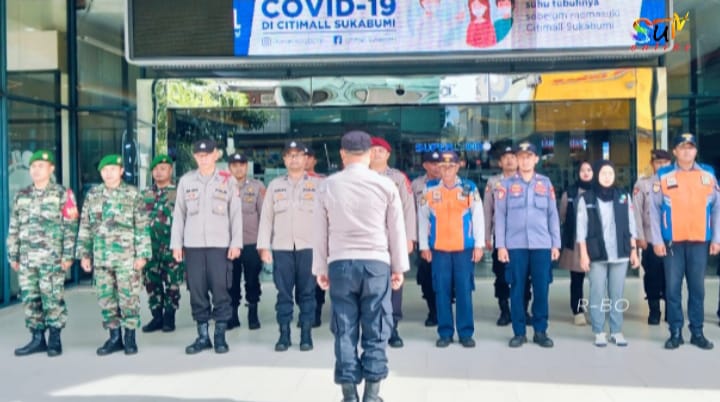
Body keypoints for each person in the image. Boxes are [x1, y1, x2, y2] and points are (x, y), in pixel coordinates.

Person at [313, 130, 408, 402]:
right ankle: (372, 394)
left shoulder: (327, 186)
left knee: (344, 328)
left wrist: (320, 268)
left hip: (340, 264)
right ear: (368, 154)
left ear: (342, 154)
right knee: (377, 327)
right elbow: (396, 230)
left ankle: (349, 395)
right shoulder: (386, 185)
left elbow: (319, 232)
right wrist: (399, 267)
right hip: (376, 264)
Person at [171, 138, 243, 355]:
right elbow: (179, 215)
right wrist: (176, 244)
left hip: (220, 246)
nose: (203, 159)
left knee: (221, 290)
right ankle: (203, 336)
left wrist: (236, 243)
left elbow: (235, 215)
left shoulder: (228, 180)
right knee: (197, 291)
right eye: (199, 155)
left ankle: (220, 336)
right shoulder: (186, 181)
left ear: (215, 155)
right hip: (193, 246)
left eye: (207, 155)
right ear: (195, 157)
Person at [649, 133, 720, 350]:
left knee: (697, 289)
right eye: (682, 147)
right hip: (673, 242)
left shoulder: (708, 174)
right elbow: (653, 210)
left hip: (699, 241)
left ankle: (697, 332)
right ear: (675, 151)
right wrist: (657, 240)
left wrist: (716, 238)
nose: (687, 151)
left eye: (690, 147)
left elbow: (717, 209)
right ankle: (675, 332)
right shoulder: (663, 175)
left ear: (696, 151)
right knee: (672, 289)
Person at [77, 154, 152, 356]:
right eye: (104, 170)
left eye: (112, 169)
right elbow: (85, 226)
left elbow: (142, 226)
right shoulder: (93, 195)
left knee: (129, 298)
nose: (108, 173)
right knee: (106, 298)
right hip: (101, 257)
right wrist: (84, 254)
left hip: (128, 258)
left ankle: (130, 338)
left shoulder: (133, 194)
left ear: (121, 171)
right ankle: (114, 338)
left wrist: (142, 255)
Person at [7, 150, 79, 357]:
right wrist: (13, 255)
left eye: (41, 166)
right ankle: (37, 338)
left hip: (52, 258)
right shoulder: (21, 195)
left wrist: (68, 255)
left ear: (51, 169)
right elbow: (14, 227)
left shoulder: (63, 194)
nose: (36, 170)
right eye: (33, 166)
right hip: (27, 259)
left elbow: (70, 227)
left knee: (52, 298)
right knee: (30, 299)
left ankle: (55, 339)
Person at [494, 142, 560, 348]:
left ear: (536, 159)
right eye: (521, 156)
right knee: (517, 289)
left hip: (541, 244)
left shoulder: (545, 183)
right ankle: (519, 332)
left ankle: (540, 331)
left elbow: (553, 215)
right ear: (517, 159)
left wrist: (555, 244)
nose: (524, 160)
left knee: (541, 289)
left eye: (528, 156)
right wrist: (501, 246)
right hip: (515, 245)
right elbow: (500, 217)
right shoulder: (505, 185)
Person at [258, 141, 321, 352]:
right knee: (283, 294)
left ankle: (306, 334)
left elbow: (325, 218)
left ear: (306, 159)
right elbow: (266, 218)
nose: (294, 159)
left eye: (298, 155)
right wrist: (264, 247)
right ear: (284, 159)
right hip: (282, 248)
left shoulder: (318, 185)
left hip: (309, 247)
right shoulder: (275, 185)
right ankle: (284, 335)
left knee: (308, 293)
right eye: (289, 155)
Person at [419, 150, 484, 348]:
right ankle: (445, 332)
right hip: (439, 249)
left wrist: (479, 245)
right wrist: (424, 246)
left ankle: (465, 333)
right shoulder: (429, 188)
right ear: (438, 168)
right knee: (442, 291)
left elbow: (478, 217)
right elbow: (423, 219)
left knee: (464, 290)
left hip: (463, 249)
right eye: (443, 166)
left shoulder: (468, 187)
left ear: (457, 167)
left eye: (451, 166)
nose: (446, 170)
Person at [576, 160, 640, 347]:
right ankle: (598, 331)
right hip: (596, 252)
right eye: (603, 173)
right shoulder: (587, 198)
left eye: (610, 173)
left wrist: (634, 251)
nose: (607, 177)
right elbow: (581, 228)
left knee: (616, 293)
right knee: (597, 292)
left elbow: (631, 224)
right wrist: (583, 254)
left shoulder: (623, 196)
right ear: (597, 175)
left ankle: (616, 330)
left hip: (620, 252)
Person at [369, 136, 416, 348]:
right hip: (368, 241)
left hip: (394, 240)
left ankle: (392, 327)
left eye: (381, 150)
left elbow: (409, 209)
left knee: (395, 283)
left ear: (388, 154)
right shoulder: (359, 176)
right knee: (369, 284)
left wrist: (410, 238)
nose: (376, 153)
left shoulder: (398, 178)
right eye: (373, 150)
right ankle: (372, 327)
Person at [484, 145, 531, 326]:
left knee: (524, 275)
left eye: (513, 157)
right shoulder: (493, 183)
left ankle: (523, 310)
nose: (510, 160)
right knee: (502, 275)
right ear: (500, 162)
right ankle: (504, 310)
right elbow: (488, 210)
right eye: (506, 157)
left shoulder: (527, 180)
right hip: (501, 237)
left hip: (523, 237)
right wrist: (487, 236)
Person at [141, 154, 184, 333]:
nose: (159, 172)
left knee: (172, 282)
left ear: (170, 170)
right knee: (152, 283)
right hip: (150, 248)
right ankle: (156, 316)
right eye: (156, 169)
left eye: (163, 169)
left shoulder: (179, 193)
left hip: (171, 247)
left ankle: (169, 316)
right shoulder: (144, 194)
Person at [227, 152, 265, 330]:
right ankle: (232, 315)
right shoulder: (222, 187)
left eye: (241, 165)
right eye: (234, 165)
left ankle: (253, 313)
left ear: (246, 166)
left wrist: (264, 244)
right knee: (231, 280)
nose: (238, 169)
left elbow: (264, 216)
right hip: (230, 244)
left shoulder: (257, 187)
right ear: (229, 168)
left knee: (252, 280)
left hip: (251, 242)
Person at [633, 149, 672, 325]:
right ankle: (654, 311)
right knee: (652, 276)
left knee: (672, 277)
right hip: (650, 238)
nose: (662, 166)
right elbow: (636, 213)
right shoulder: (643, 184)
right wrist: (639, 237)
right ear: (652, 164)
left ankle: (671, 311)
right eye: (658, 163)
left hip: (672, 239)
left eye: (665, 163)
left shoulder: (676, 182)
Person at [557, 161, 593, 326]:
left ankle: (597, 310)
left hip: (596, 241)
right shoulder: (570, 193)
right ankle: (578, 311)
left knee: (598, 279)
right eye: (582, 170)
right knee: (577, 279)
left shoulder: (600, 191)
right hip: (576, 241)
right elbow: (563, 215)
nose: (586, 173)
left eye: (589, 170)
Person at [411, 151, 441, 327]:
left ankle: (444, 309)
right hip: (425, 239)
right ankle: (433, 311)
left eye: (439, 164)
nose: (437, 167)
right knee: (427, 276)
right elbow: (411, 212)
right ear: (425, 166)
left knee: (446, 277)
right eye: (432, 164)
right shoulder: (416, 185)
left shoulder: (451, 183)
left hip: (447, 238)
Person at [304, 146, 327, 327]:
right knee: (302, 279)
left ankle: (316, 311)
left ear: (314, 161)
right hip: (299, 239)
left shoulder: (323, 182)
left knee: (319, 275)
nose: (304, 160)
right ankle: (305, 311)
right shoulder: (287, 182)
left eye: (308, 157)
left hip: (318, 237)